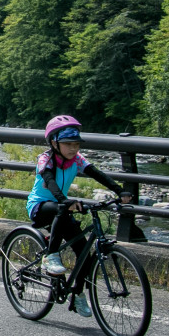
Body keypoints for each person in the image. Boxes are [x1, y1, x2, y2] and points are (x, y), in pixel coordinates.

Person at [26, 115, 133, 317]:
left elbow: (98, 174)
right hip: (40, 206)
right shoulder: (45, 159)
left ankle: (77, 293)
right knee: (62, 208)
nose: (73, 148)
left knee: (84, 253)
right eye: (68, 144)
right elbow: (49, 182)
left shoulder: (77, 159)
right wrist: (63, 200)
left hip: (61, 208)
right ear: (54, 142)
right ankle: (51, 256)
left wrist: (120, 191)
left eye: (76, 144)